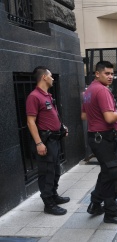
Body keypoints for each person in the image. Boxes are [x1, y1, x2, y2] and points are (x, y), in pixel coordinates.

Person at [81, 61, 117, 224]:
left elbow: (84, 116)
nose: (111, 76)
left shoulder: (89, 90)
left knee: (106, 172)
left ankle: (95, 204)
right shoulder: (102, 91)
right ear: (97, 73)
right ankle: (111, 213)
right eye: (107, 73)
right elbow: (110, 118)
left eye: (112, 74)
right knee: (113, 175)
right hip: (104, 138)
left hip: (96, 136)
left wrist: (97, 119)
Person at [26, 66, 70, 216]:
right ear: (44, 77)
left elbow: (52, 116)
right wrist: (39, 143)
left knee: (55, 170)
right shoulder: (34, 96)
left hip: (55, 139)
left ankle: (54, 195)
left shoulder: (48, 96)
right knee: (47, 173)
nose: (52, 78)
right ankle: (48, 204)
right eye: (50, 76)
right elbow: (31, 122)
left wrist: (62, 127)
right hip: (45, 141)